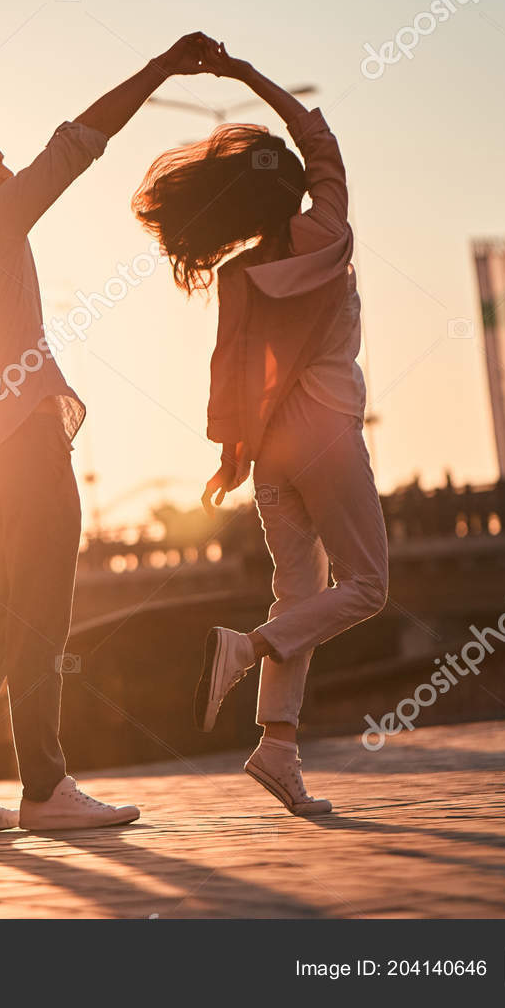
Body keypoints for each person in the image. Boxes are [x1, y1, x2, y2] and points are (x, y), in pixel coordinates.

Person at [0, 32, 219, 832]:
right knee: (41, 622)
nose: (8, 174)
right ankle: (46, 791)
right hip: (21, 450)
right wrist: (158, 68)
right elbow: (76, 146)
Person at [131, 43, 389, 817]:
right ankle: (245, 650)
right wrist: (245, 75)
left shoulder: (240, 276)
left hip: (271, 444)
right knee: (368, 587)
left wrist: (229, 452)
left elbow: (230, 368)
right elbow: (319, 140)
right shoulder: (329, 232)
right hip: (325, 428)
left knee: (297, 591)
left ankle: (277, 748)